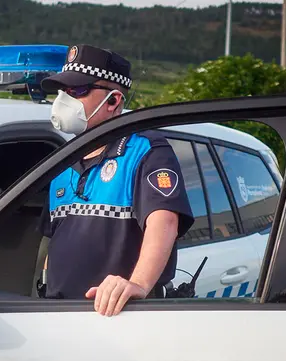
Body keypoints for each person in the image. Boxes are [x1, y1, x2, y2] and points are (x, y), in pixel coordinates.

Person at [37, 44, 194, 316]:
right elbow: (55, 239)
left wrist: (138, 284)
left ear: (114, 101)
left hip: (117, 315)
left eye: (77, 91)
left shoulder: (146, 150)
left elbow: (164, 221)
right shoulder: (63, 160)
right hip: (59, 314)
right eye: (63, 90)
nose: (64, 99)